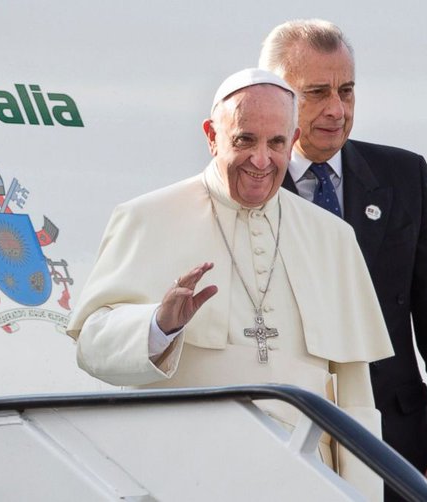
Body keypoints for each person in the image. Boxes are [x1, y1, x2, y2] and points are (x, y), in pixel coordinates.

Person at [65, 68, 394, 500]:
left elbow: (356, 400)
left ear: (292, 140)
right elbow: (92, 346)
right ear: (211, 136)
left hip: (304, 484)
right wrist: (159, 325)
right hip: (185, 478)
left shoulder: (332, 237)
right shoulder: (147, 217)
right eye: (245, 140)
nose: (261, 160)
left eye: (276, 143)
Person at [260, 19, 427, 502]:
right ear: (277, 96)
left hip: (399, 452)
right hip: (288, 451)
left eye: (347, 91)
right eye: (317, 92)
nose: (336, 110)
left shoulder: (405, 177)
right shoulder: (250, 185)